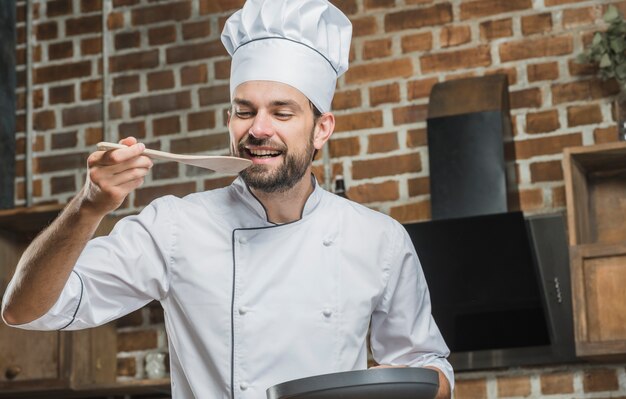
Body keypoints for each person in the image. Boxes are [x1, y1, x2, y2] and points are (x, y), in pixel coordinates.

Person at [1, 0, 454, 398]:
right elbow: (24, 310)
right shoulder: (174, 227)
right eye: (244, 110)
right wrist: (89, 207)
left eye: (282, 112)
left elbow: (428, 365)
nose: (258, 128)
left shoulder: (378, 239)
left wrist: (394, 388)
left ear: (321, 129)